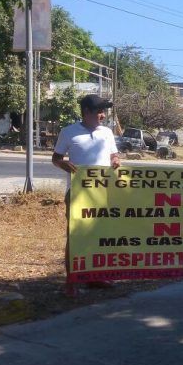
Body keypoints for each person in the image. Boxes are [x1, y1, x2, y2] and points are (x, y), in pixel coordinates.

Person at [52, 94, 121, 297]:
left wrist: (116, 160)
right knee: (75, 236)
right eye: (99, 111)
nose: (103, 115)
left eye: (104, 111)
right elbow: (56, 158)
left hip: (102, 193)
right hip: (77, 193)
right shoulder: (68, 132)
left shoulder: (107, 133)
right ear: (87, 112)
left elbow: (113, 155)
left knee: (98, 236)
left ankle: (94, 278)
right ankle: (71, 280)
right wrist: (63, 164)